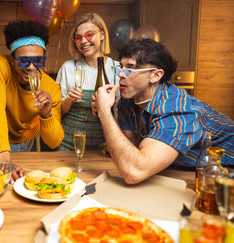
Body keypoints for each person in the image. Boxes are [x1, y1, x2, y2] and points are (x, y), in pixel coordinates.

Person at [92, 38, 234, 184]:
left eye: (129, 69)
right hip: (193, 171)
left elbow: (134, 171)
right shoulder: (128, 100)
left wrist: (105, 112)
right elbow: (129, 149)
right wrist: (107, 110)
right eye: (120, 67)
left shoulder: (179, 109)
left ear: (156, 75)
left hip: (226, 172)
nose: (120, 74)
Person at [0, 20, 64, 182]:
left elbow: (55, 142)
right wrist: (4, 160)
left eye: (38, 61)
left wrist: (46, 114)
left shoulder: (52, 88)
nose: (32, 67)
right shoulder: (2, 64)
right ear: (13, 60)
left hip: (29, 144)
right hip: (0, 142)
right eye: (24, 61)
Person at [56, 12, 118, 150]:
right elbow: (58, 112)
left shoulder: (117, 69)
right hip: (68, 143)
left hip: (104, 145)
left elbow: (122, 115)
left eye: (89, 35)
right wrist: (69, 99)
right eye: (78, 38)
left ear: (102, 34)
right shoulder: (68, 67)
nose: (83, 41)